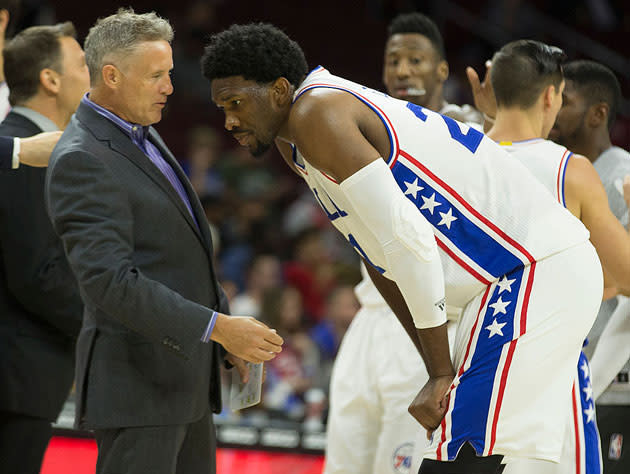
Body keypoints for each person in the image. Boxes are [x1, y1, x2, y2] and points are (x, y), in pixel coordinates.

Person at [203, 22, 603, 473]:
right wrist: (433, 364)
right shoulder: (292, 136)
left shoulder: (317, 113)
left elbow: (409, 243)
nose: (229, 121)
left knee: (467, 450)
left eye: (235, 103)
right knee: (490, 451)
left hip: (532, 269)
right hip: (500, 284)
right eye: (222, 108)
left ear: (279, 90)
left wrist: (438, 373)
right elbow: (378, 257)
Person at [45, 10, 283, 474]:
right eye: (156, 75)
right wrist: (216, 327)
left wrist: (222, 335)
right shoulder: (83, 158)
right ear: (111, 76)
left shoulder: (140, 131)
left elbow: (179, 257)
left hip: (183, 384)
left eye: (170, 73)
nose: (169, 87)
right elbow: (109, 282)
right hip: (139, 392)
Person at [324, 12, 478, 474]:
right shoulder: (367, 124)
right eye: (394, 61)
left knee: (403, 460)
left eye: (416, 59)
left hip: (428, 324)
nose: (404, 70)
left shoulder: (471, 131)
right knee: (344, 458)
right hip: (370, 316)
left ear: (442, 71)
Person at [469, 39, 630, 474]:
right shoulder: (570, 169)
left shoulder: (456, 157)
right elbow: (627, 277)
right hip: (549, 381)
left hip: (468, 371)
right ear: (549, 96)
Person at [0, 22, 88, 474]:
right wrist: (108, 324)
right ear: (50, 80)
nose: (92, 74)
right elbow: (37, 274)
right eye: (81, 64)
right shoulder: (24, 151)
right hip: (17, 379)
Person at [549, 59, 630, 474]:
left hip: (613, 377)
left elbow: (620, 280)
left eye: (565, 100)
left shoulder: (623, 175)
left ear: (598, 113)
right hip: (567, 376)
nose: (553, 107)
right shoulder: (559, 172)